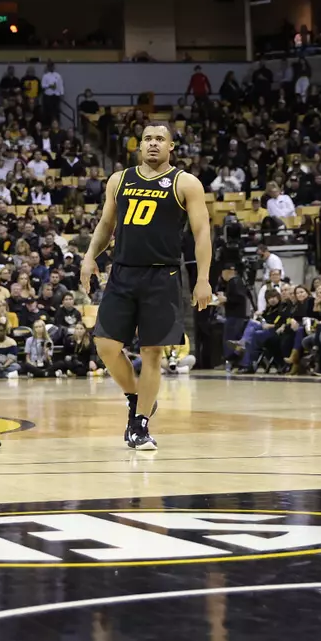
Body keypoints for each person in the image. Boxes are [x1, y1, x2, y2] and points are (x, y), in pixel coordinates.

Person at [79, 123, 212, 450]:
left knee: (151, 353)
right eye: (148, 139)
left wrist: (204, 278)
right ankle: (137, 398)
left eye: (160, 139)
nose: (153, 144)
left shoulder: (186, 183)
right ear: (139, 146)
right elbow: (106, 224)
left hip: (163, 276)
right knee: (106, 346)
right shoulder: (119, 179)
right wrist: (88, 257)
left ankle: (139, 424)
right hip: (122, 272)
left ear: (171, 147)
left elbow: (202, 233)